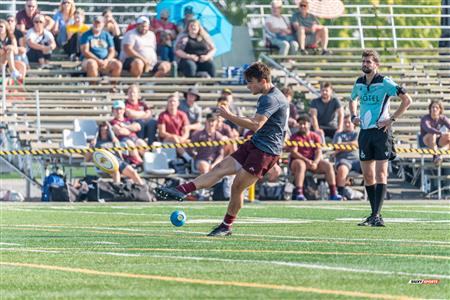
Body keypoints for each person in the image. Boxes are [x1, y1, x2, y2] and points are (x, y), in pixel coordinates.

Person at [155, 62, 289, 237]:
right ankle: (181, 190)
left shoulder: (270, 98)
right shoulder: (269, 95)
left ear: (263, 81)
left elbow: (256, 124)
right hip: (256, 144)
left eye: (251, 82)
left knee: (236, 187)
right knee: (219, 169)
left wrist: (229, 116)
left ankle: (226, 225)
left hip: (266, 151)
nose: (248, 86)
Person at [350, 49, 412, 227]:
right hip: (365, 133)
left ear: (376, 64)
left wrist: (391, 119)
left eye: (369, 62)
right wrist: (353, 115)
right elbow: (352, 99)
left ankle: (377, 214)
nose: (365, 64)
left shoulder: (385, 82)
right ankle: (373, 214)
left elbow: (407, 100)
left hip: (381, 133)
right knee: (368, 175)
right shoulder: (359, 82)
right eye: (363, 61)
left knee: (381, 173)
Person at [289, 114, 343, 201]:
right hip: (298, 162)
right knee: (301, 164)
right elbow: (294, 153)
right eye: (300, 124)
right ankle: (299, 193)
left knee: (328, 165)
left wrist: (315, 162)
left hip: (312, 162)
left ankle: (333, 193)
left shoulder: (315, 136)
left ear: (309, 125)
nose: (302, 126)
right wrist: (307, 161)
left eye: (304, 123)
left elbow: (318, 152)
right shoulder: (295, 136)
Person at [80, 15, 122, 85]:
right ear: (93, 23)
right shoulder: (86, 35)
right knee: (92, 64)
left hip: (105, 60)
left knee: (118, 64)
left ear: (103, 24)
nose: (97, 25)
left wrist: (107, 60)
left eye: (99, 23)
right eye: (95, 22)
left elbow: (112, 50)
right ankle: (94, 87)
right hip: (90, 59)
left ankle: (113, 87)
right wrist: (98, 60)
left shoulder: (106, 35)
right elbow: (85, 51)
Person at [157, 93, 192, 162]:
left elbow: (186, 131)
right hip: (166, 139)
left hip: (179, 139)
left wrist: (182, 139)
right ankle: (188, 158)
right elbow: (162, 133)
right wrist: (176, 137)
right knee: (174, 138)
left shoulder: (182, 114)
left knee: (192, 142)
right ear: (167, 103)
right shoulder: (163, 115)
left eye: (174, 101)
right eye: (170, 101)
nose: (172, 103)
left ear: (178, 103)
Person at [110, 100, 147, 166]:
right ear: (113, 110)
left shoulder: (129, 120)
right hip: (123, 141)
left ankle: (149, 162)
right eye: (116, 109)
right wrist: (131, 129)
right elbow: (120, 131)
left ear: (124, 110)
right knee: (130, 144)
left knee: (141, 142)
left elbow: (138, 127)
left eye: (120, 109)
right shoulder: (113, 122)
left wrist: (125, 126)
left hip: (134, 138)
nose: (119, 111)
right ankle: (141, 163)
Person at [332, 114, 361, 199]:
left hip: (357, 160)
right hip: (343, 160)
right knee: (342, 170)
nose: (347, 124)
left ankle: (373, 191)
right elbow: (336, 146)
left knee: (370, 167)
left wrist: (342, 146)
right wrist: (350, 145)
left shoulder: (357, 133)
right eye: (345, 123)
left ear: (353, 124)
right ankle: (340, 194)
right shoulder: (338, 134)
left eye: (349, 122)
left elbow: (356, 144)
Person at [419, 100, 450, 165]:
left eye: (437, 107)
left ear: (440, 110)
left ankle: (439, 153)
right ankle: (435, 156)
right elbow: (429, 129)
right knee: (433, 134)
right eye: (433, 107)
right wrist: (440, 133)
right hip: (426, 140)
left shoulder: (443, 118)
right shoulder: (425, 118)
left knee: (448, 135)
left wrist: (445, 134)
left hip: (438, 141)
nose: (434, 109)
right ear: (430, 109)